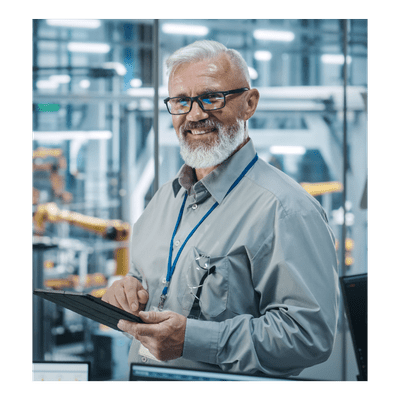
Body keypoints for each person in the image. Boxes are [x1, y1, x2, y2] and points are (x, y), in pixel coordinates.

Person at [102, 40, 339, 377]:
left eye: (211, 98)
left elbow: (309, 336)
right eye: (181, 101)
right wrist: (124, 289)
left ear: (249, 103)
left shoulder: (285, 209)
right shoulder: (162, 202)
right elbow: (147, 280)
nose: (195, 115)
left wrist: (194, 339)